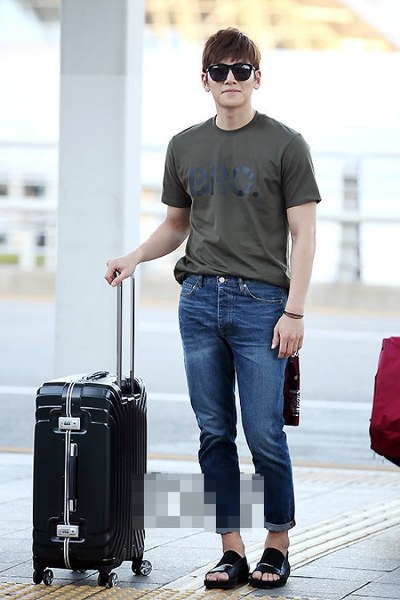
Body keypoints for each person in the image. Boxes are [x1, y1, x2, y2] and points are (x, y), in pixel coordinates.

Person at [105, 27, 321, 590]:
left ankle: (277, 544)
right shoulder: (184, 146)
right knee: (213, 433)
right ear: (204, 80)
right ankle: (231, 549)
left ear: (256, 77)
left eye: (240, 70)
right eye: (219, 71)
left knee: (264, 432)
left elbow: (304, 234)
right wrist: (134, 256)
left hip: (262, 306)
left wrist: (295, 312)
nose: (230, 79)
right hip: (199, 301)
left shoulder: (286, 144)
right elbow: (176, 225)